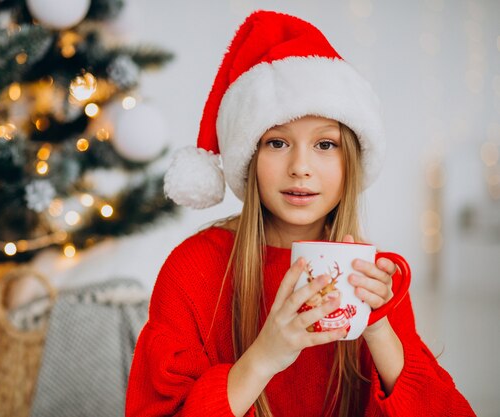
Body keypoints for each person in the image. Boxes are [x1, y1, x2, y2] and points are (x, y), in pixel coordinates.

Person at [125, 10, 475, 417]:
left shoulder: (373, 277)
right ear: (249, 157)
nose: (300, 167)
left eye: (325, 145)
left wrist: (380, 330)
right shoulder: (192, 271)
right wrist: (263, 358)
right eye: (277, 143)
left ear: (352, 163)